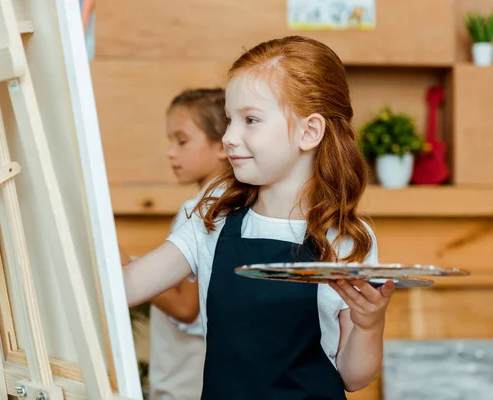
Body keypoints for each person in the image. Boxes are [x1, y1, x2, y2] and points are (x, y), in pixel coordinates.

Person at [122, 35, 395, 399]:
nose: (230, 137)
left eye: (250, 120)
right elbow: (127, 286)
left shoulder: (346, 238)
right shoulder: (213, 218)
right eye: (228, 120)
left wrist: (368, 325)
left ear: (309, 132)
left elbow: (354, 376)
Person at [146, 88, 229, 400]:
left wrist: (126, 268)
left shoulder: (198, 210)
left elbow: (186, 307)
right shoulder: (236, 205)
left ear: (222, 145)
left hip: (185, 381)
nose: (171, 152)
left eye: (181, 141)